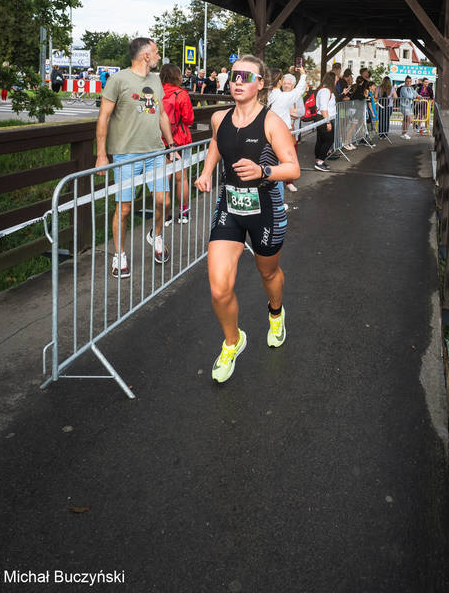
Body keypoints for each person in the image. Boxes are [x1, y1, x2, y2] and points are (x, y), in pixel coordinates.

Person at [194, 56, 300, 383]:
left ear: (260, 84)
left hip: (265, 209)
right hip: (230, 207)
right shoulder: (219, 118)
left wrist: (263, 171)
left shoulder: (272, 123)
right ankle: (232, 341)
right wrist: (207, 170)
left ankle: (276, 313)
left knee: (267, 273)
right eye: (234, 75)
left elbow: (293, 168)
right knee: (218, 288)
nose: (237, 81)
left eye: (245, 76)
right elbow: (217, 143)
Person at [95, 37, 177, 277]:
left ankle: (157, 236)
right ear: (145, 56)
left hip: (154, 152)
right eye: (156, 52)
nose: (159, 56)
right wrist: (102, 154)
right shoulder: (118, 79)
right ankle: (119, 255)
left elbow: (161, 114)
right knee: (125, 208)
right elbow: (104, 117)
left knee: (164, 202)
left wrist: (170, 144)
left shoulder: (154, 80)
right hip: (125, 154)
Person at [160, 64, 195, 224]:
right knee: (182, 179)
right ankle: (183, 213)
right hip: (180, 140)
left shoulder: (156, 93)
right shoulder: (181, 93)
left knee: (163, 179)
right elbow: (189, 119)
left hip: (161, 141)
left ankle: (165, 216)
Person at [314, 71, 337, 170]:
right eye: (336, 79)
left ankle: (319, 160)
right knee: (328, 140)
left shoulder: (325, 90)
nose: (337, 81)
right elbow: (324, 108)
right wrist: (328, 122)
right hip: (324, 118)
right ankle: (320, 162)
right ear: (332, 80)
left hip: (323, 118)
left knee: (321, 140)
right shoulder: (325, 91)